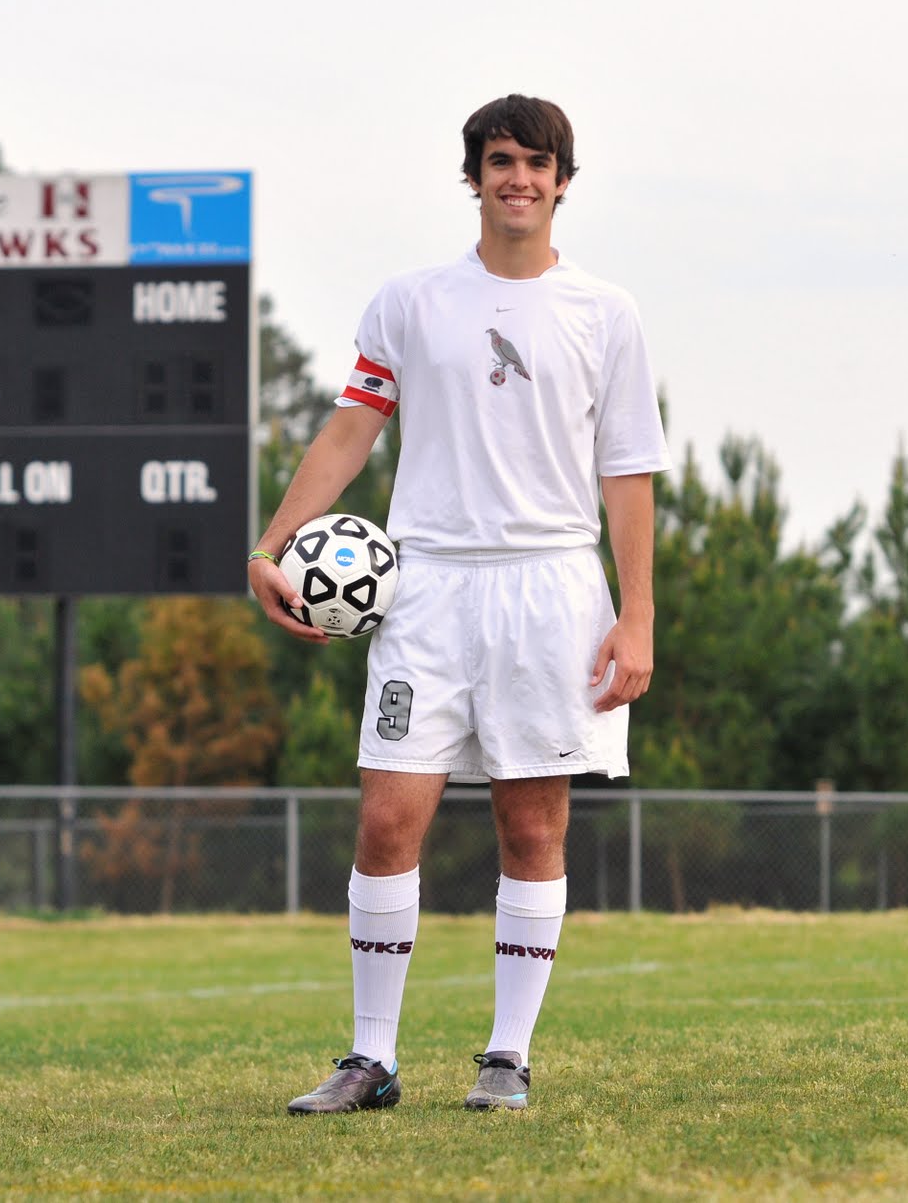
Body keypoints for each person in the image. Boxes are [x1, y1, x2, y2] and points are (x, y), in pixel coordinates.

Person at [248, 94, 671, 1113]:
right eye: (498, 160)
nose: (516, 177)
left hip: (551, 585)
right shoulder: (410, 301)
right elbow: (352, 427)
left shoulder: (605, 313)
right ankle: (370, 1057)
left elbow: (629, 473)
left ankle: (507, 1052)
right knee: (388, 815)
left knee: (532, 828)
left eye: (535, 162)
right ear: (472, 175)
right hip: (425, 585)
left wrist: (637, 611)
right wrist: (271, 544)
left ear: (563, 180)